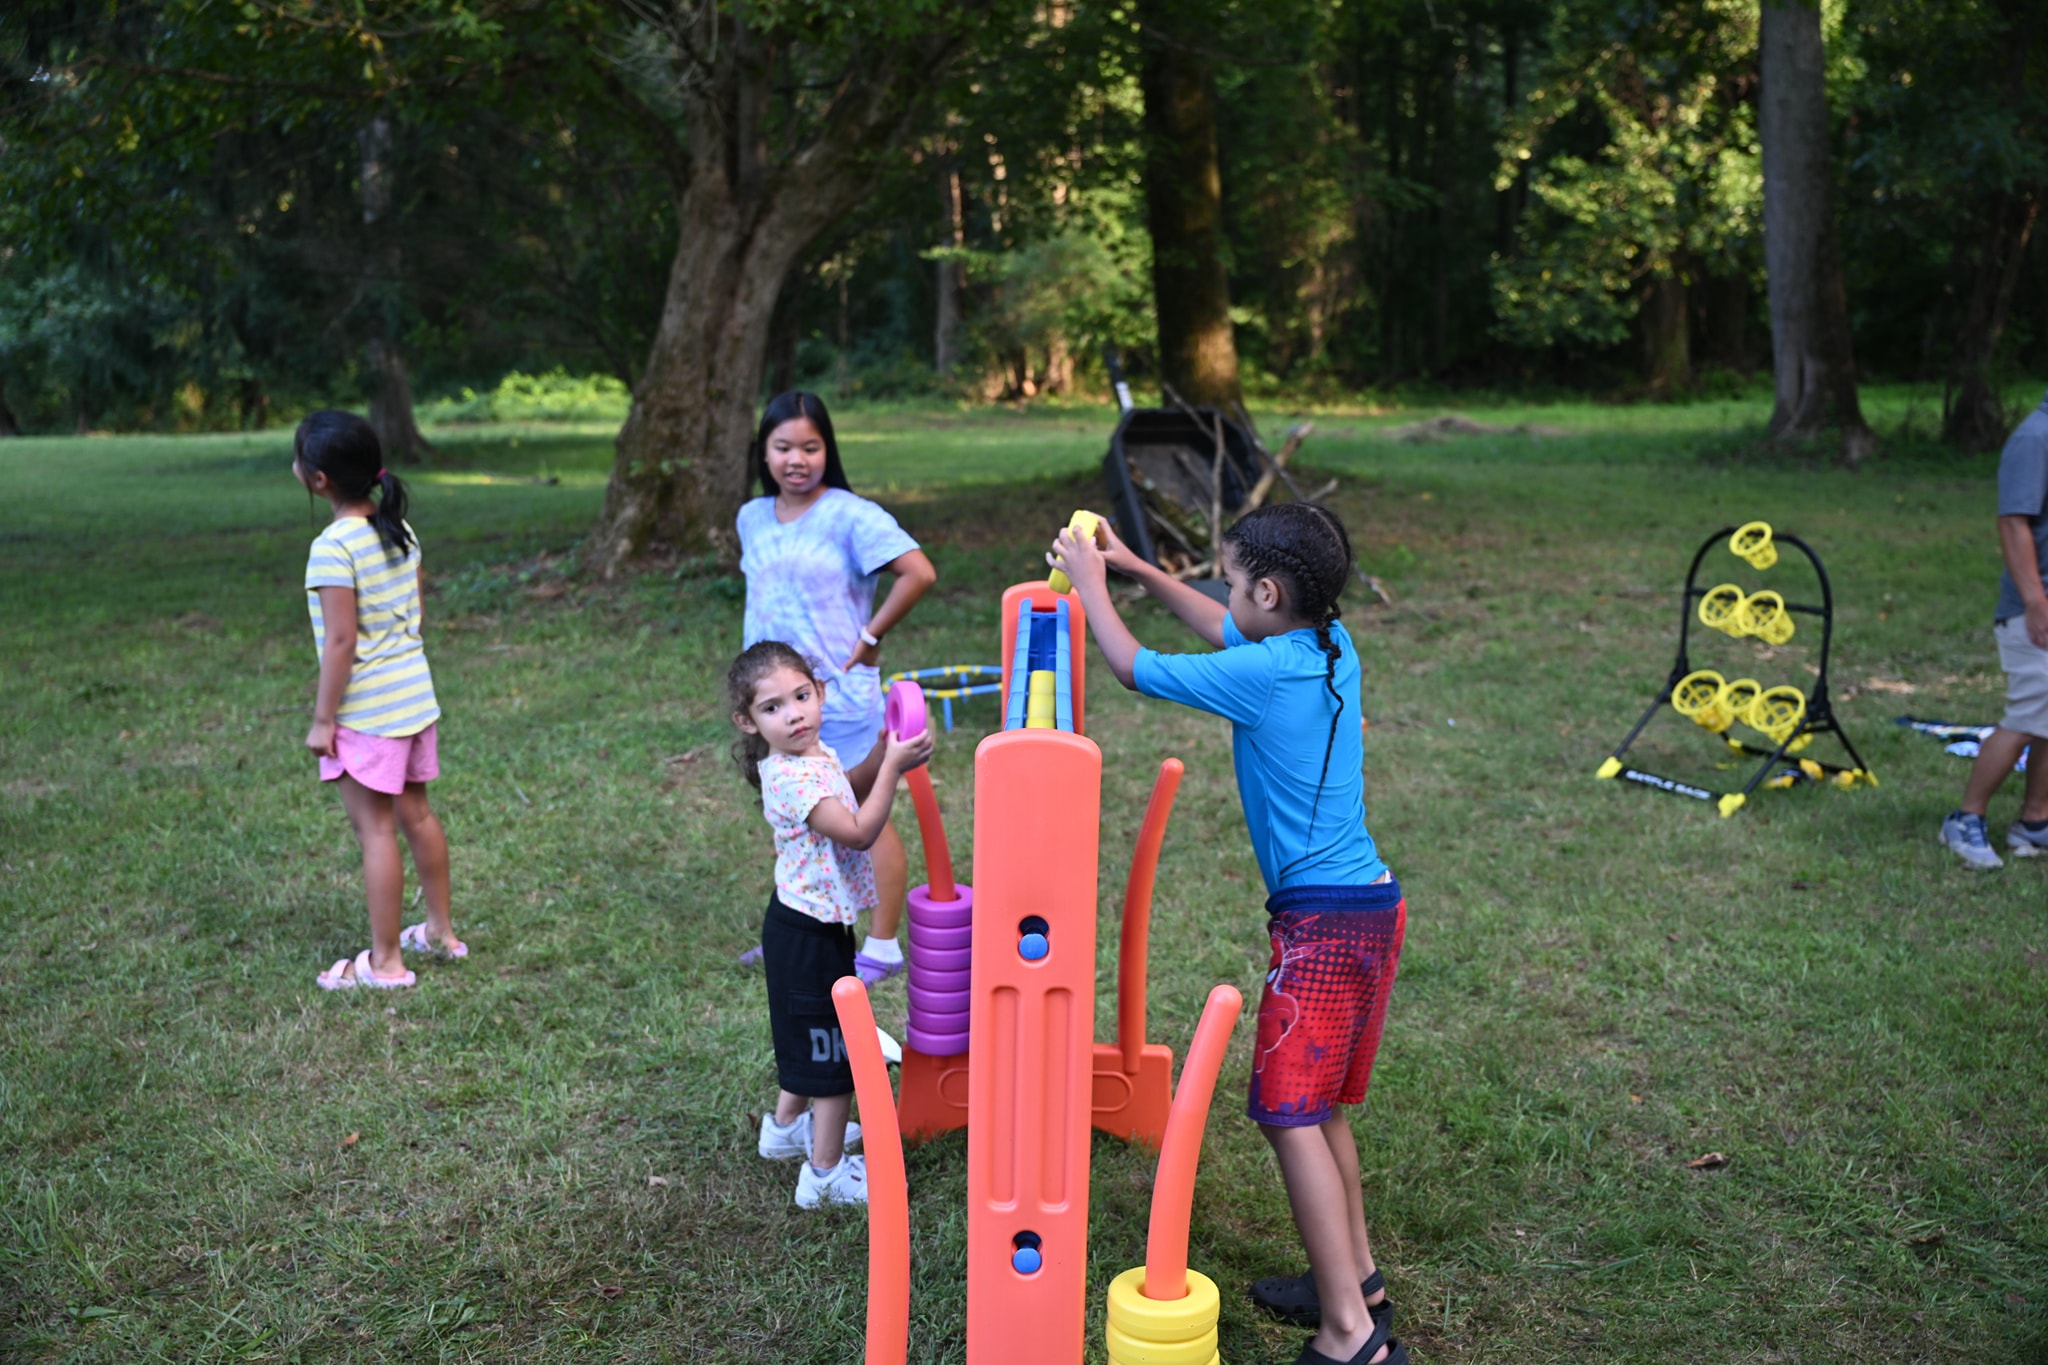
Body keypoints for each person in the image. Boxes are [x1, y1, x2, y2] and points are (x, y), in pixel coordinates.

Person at [1049, 503, 1408, 1365]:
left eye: (1235, 576)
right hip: (1371, 905)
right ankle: (1356, 1283)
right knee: (1320, 1111)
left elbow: (1133, 666)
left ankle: (1351, 1338)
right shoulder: (1328, 643)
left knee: (1288, 1115)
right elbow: (1224, 620)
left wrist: (1093, 586)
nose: (1225, 592)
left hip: (1319, 925)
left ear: (1271, 590)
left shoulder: (1262, 674)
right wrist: (1137, 567)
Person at [736, 391, 937, 983]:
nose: (796, 459)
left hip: (836, 700)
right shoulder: (751, 516)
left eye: (810, 446)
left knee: (862, 814)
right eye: (782, 447)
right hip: (776, 702)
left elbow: (918, 571)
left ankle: (880, 947)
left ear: (828, 449)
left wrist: (872, 636)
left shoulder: (850, 513)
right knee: (801, 820)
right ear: (764, 453)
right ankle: (807, 935)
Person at [727, 640, 933, 1208]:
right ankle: (823, 1174)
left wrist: (882, 752)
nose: (793, 713)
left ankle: (786, 1129)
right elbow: (860, 831)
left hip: (808, 923)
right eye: (773, 707)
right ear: (748, 722)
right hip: (807, 934)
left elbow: (852, 785)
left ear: (819, 693)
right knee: (834, 1052)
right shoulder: (791, 778)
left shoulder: (811, 756)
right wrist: (895, 767)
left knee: (808, 1037)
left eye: (800, 696)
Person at [295, 410, 465, 990]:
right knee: (416, 813)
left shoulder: (332, 547)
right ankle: (440, 932)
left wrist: (324, 721)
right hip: (413, 700)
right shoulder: (400, 529)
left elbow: (342, 641)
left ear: (317, 479)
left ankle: (386, 963)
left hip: (367, 713)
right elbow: (412, 614)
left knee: (375, 831)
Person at [1941, 390, 2048, 869]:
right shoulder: (2035, 438)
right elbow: (2012, 523)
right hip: (2034, 610)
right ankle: (1965, 818)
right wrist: (2035, 602)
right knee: (2028, 715)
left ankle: (2035, 820)